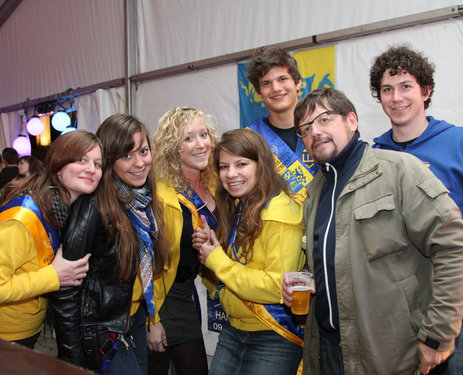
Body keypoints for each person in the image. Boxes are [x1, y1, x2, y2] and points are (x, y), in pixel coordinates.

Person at [281, 87, 463, 375]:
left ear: (352, 120)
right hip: (328, 351)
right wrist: (304, 284)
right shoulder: (314, 193)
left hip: (392, 356)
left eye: (324, 119)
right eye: (306, 128)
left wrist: (438, 334)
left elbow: (456, 247)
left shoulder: (399, 171)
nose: (315, 132)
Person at [369, 45, 463, 374]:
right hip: (401, 314)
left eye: (406, 86)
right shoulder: (375, 156)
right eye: (387, 89)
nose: (396, 97)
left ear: (425, 90)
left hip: (460, 307)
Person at [51, 114, 170, 375]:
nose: (139, 163)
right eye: (126, 156)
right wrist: (72, 361)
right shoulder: (93, 207)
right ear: (109, 161)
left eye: (143, 151)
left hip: (132, 318)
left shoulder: (141, 201)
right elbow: (66, 293)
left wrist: (152, 318)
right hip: (100, 330)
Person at [194, 128, 305, 375]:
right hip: (234, 330)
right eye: (224, 167)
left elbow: (276, 286)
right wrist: (208, 254)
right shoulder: (240, 206)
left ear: (260, 165)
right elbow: (227, 278)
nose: (230, 174)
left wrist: (218, 262)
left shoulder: (280, 213)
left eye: (241, 164)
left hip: (273, 335)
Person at [0, 130, 101, 349]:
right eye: (81, 159)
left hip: (29, 329)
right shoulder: (22, 218)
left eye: (98, 164)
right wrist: (53, 276)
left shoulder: (62, 211)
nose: (91, 169)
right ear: (58, 164)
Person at [147, 107, 218, 375]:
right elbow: (146, 258)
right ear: (172, 147)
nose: (200, 144)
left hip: (189, 292)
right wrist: (151, 319)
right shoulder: (161, 193)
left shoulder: (216, 184)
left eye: (204, 134)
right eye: (188, 138)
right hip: (161, 298)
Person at [246, 46, 319, 200]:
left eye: (282, 79)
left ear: (298, 82)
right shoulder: (251, 139)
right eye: (266, 83)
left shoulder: (322, 127)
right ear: (259, 93)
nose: (276, 88)